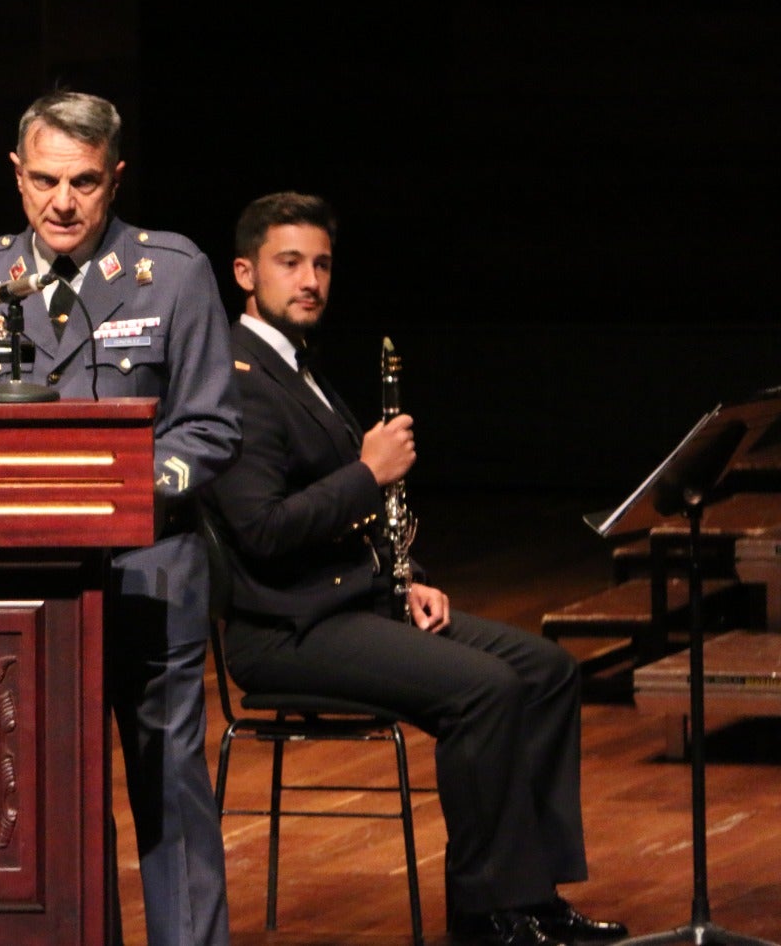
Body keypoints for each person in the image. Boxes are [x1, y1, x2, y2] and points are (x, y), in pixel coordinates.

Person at [204, 191, 628, 946]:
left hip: (353, 602)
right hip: (287, 627)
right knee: (485, 689)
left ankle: (534, 895)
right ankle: (487, 913)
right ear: (245, 273)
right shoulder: (239, 380)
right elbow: (263, 531)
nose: (310, 281)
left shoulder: (297, 368)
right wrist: (368, 471)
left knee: (545, 671)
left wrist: (413, 575)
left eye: (321, 265)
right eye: (290, 263)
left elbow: (347, 516)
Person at [0, 90, 239, 946]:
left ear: (115, 178)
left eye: (84, 182)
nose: (62, 202)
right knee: (53, 801)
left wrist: (117, 494)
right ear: (17, 175)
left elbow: (211, 427)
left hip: (147, 570)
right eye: (44, 180)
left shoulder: (172, 272)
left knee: (170, 791)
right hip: (26, 585)